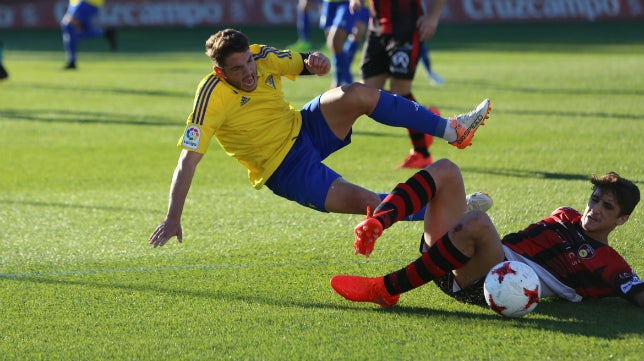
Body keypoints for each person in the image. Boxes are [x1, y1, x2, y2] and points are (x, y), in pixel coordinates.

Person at [147, 28, 491, 248]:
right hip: (283, 169)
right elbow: (187, 161)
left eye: (248, 62)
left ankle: (453, 129)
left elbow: (304, 63)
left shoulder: (261, 57)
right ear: (221, 72)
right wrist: (174, 216)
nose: (249, 71)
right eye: (237, 69)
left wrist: (317, 63)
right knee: (369, 203)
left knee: (355, 93)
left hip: (304, 127)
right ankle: (455, 208)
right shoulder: (210, 95)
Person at [331, 160, 644, 308]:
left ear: (622, 219)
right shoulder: (566, 215)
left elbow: (636, 292)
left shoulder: (610, 263)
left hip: (497, 285)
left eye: (607, 206)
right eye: (594, 199)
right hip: (464, 259)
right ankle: (378, 222)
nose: (595, 209)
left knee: (479, 221)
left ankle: (385, 288)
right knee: (447, 169)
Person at [351, 0, 447, 169]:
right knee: (367, 93)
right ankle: (426, 117)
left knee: (401, 92)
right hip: (377, 28)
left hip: (406, 28)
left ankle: (421, 152)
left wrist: (433, 18)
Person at [320, 0, 370, 87]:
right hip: (329, 2)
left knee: (336, 40)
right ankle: (339, 81)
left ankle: (347, 81)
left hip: (348, 2)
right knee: (333, 45)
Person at [60, 0, 116, 69]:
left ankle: (72, 61)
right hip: (74, 2)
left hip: (88, 1)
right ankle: (105, 32)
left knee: (69, 24)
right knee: (73, 29)